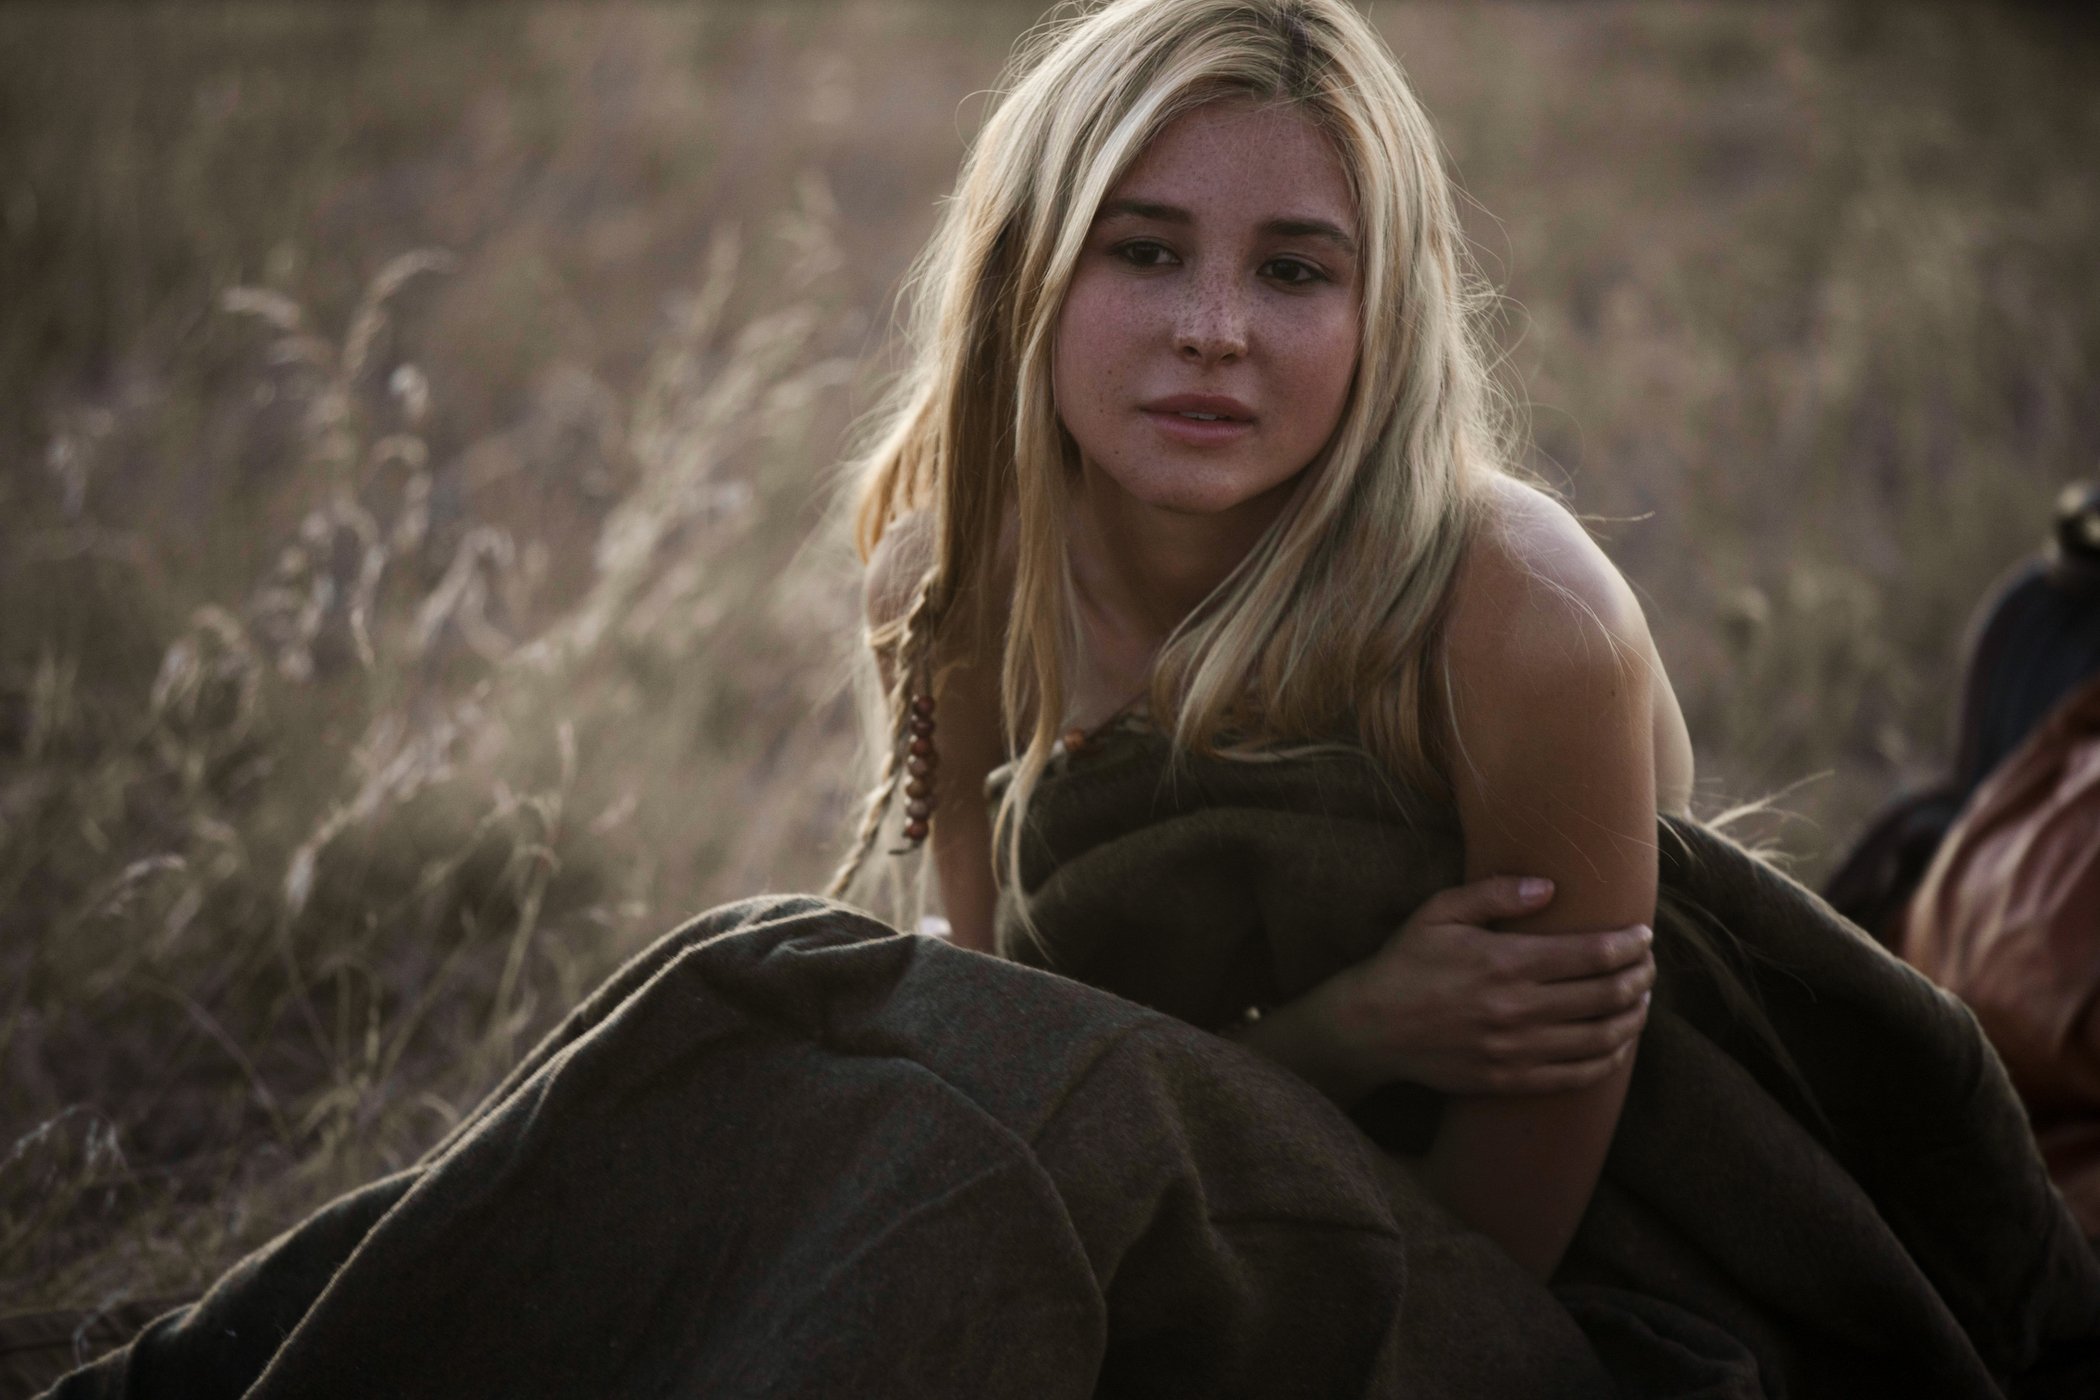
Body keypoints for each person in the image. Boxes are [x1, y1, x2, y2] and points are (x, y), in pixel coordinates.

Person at [29, 2, 2100, 1396]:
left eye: (1297, 268)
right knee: (786, 997)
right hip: (1179, 1178)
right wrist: (1344, 1021)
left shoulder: (1508, 613)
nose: (1216, 330)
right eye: (1145, 251)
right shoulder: (952, 562)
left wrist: (1239, 1078)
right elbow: (1001, 980)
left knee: (976, 1089)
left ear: (1383, 318)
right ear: (1031, 268)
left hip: (1538, 1313)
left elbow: (1509, 1235)